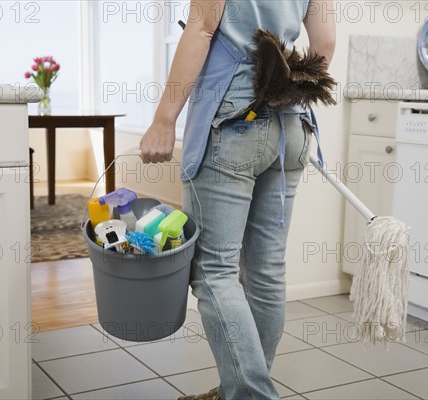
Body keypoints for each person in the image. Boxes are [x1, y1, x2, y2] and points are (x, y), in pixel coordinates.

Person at [140, 1, 336, 398]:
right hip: (291, 121)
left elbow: (200, 30)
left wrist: (163, 120)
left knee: (214, 270)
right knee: (266, 270)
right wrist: (283, 86)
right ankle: (243, 386)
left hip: (233, 119)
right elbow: (326, 42)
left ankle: (251, 394)